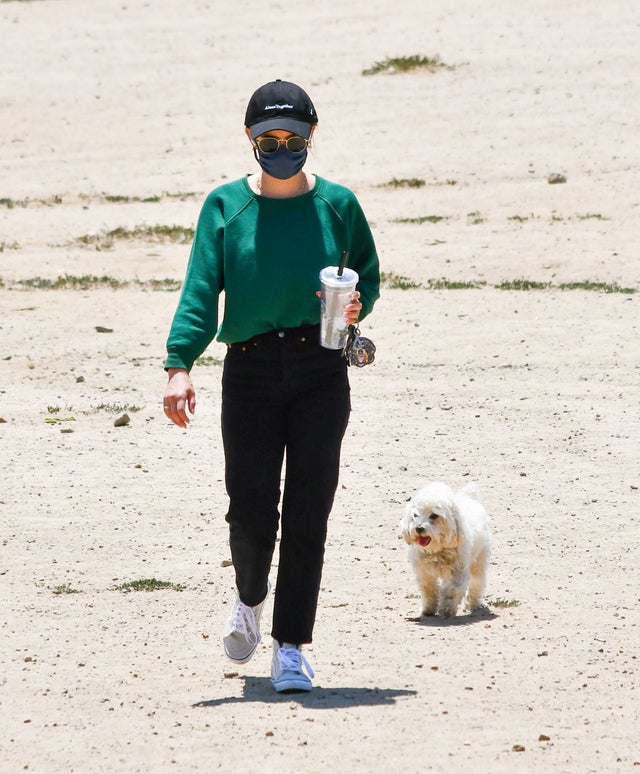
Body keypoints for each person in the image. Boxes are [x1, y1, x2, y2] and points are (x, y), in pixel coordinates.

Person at [163, 79, 380, 693]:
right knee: (253, 510)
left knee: (310, 509)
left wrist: (356, 306)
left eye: (293, 137)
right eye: (269, 138)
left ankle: (292, 647)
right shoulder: (225, 207)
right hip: (251, 370)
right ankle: (249, 598)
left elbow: (368, 275)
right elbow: (202, 290)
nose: (281, 147)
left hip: (320, 369)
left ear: (313, 136)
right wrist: (180, 365)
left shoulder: (338, 205)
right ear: (250, 140)